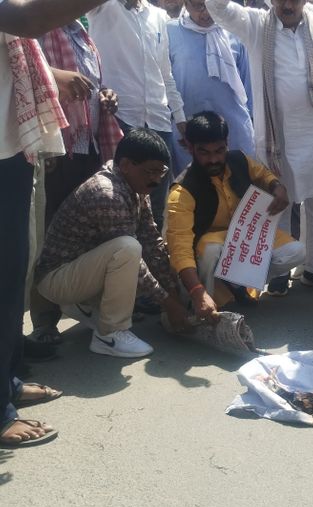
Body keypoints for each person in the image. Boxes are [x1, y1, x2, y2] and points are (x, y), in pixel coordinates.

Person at [0, 0, 112, 448]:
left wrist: (52, 73)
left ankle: (7, 382)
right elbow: (28, 20)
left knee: (13, 273)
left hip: (12, 147)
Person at [206, 0, 313, 297]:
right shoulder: (256, 24)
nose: (287, 4)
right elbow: (218, 8)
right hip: (276, 140)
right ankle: (281, 271)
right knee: (279, 204)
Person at [35, 129, 190, 358]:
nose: (157, 180)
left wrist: (173, 291)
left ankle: (87, 307)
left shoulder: (135, 186)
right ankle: (109, 335)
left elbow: (152, 243)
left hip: (78, 272)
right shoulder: (108, 194)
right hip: (56, 280)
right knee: (128, 248)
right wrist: (169, 304)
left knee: (138, 250)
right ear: (126, 165)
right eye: (151, 172)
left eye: (162, 172)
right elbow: (135, 263)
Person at [28, 22, 124, 346]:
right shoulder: (38, 28)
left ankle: (88, 306)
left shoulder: (82, 35)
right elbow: (27, 71)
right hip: (57, 148)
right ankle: (44, 320)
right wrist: (57, 75)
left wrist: (107, 95)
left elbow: (94, 85)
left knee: (86, 234)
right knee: (49, 237)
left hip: (89, 147)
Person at [166, 112, 305, 317]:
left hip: (245, 238)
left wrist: (277, 186)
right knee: (210, 249)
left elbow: (262, 174)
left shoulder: (238, 160)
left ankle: (238, 285)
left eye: (219, 151)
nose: (213, 159)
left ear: (227, 144)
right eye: (204, 153)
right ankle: (205, 303)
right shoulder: (182, 192)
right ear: (190, 147)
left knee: (296, 251)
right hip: (210, 248)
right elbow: (180, 250)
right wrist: (196, 291)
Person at [87, 0, 187, 230]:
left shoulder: (158, 16)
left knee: (156, 205)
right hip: (120, 118)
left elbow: (165, 72)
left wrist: (180, 116)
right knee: (118, 201)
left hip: (159, 120)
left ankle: (152, 253)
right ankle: (124, 252)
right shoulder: (102, 8)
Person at [167, 0, 255, 174]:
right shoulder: (170, 31)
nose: (206, 12)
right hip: (189, 134)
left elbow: (249, 86)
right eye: (198, 6)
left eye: (210, 5)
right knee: (194, 186)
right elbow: (165, 80)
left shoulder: (235, 30)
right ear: (186, 3)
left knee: (240, 182)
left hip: (235, 131)